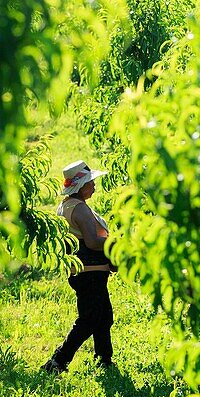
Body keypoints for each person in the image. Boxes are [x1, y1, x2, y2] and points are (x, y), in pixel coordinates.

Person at [41, 160, 117, 374]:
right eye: (90, 183)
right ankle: (58, 360)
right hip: (89, 272)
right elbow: (92, 242)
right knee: (89, 319)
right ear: (81, 186)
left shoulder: (66, 205)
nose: (94, 186)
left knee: (103, 316)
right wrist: (116, 243)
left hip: (85, 272)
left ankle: (104, 359)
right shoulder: (80, 209)